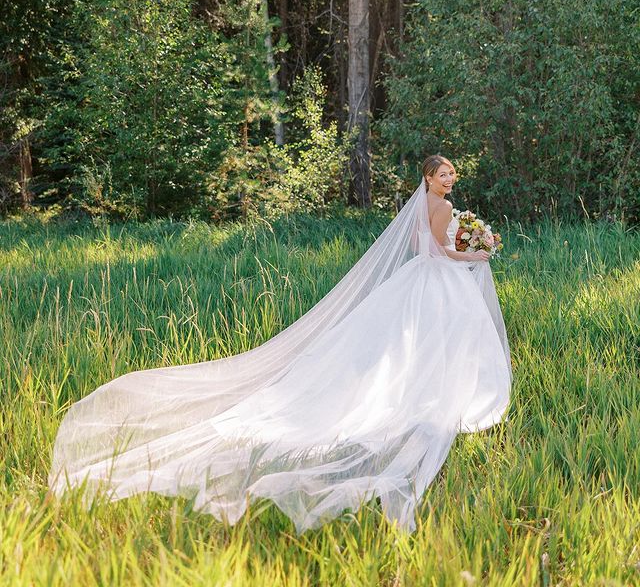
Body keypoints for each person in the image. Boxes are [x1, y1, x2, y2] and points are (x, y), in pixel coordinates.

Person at [49, 155, 512, 533]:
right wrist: (478, 251)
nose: (450, 178)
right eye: (443, 173)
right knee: (440, 342)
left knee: (410, 343)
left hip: (419, 280)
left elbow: (418, 249)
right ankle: (441, 398)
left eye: (453, 173)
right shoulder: (445, 209)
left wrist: (467, 245)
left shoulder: (420, 204)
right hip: (438, 280)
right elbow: (439, 249)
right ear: (429, 177)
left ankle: (421, 390)